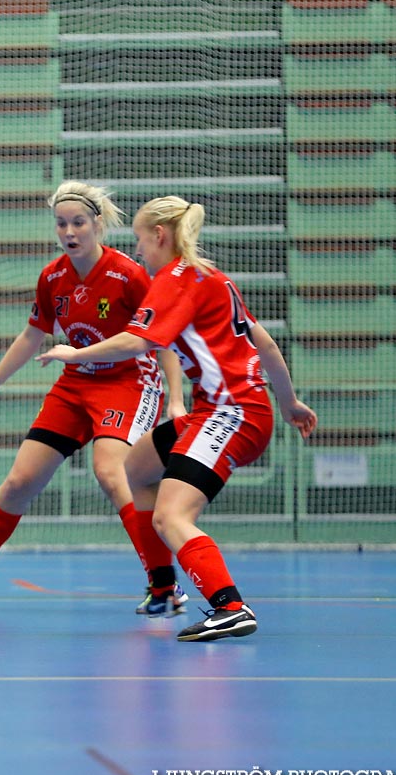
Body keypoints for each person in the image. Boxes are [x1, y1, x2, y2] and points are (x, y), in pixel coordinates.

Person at [38, 196, 317, 642]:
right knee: (136, 469)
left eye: (140, 241)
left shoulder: (174, 280)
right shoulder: (214, 278)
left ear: (160, 236)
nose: (138, 251)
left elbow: (134, 342)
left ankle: (229, 606)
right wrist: (289, 404)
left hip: (231, 415)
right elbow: (265, 345)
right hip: (231, 410)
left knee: (171, 517)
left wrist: (75, 353)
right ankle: (165, 590)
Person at [0, 181, 189, 615]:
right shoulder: (52, 277)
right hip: (75, 385)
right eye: (61, 223)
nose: (69, 232)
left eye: (79, 223)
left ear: (98, 225)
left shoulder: (130, 275)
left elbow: (164, 341)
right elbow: (33, 335)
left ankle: (163, 585)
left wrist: (177, 400)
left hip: (129, 383)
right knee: (18, 483)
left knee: (112, 473)